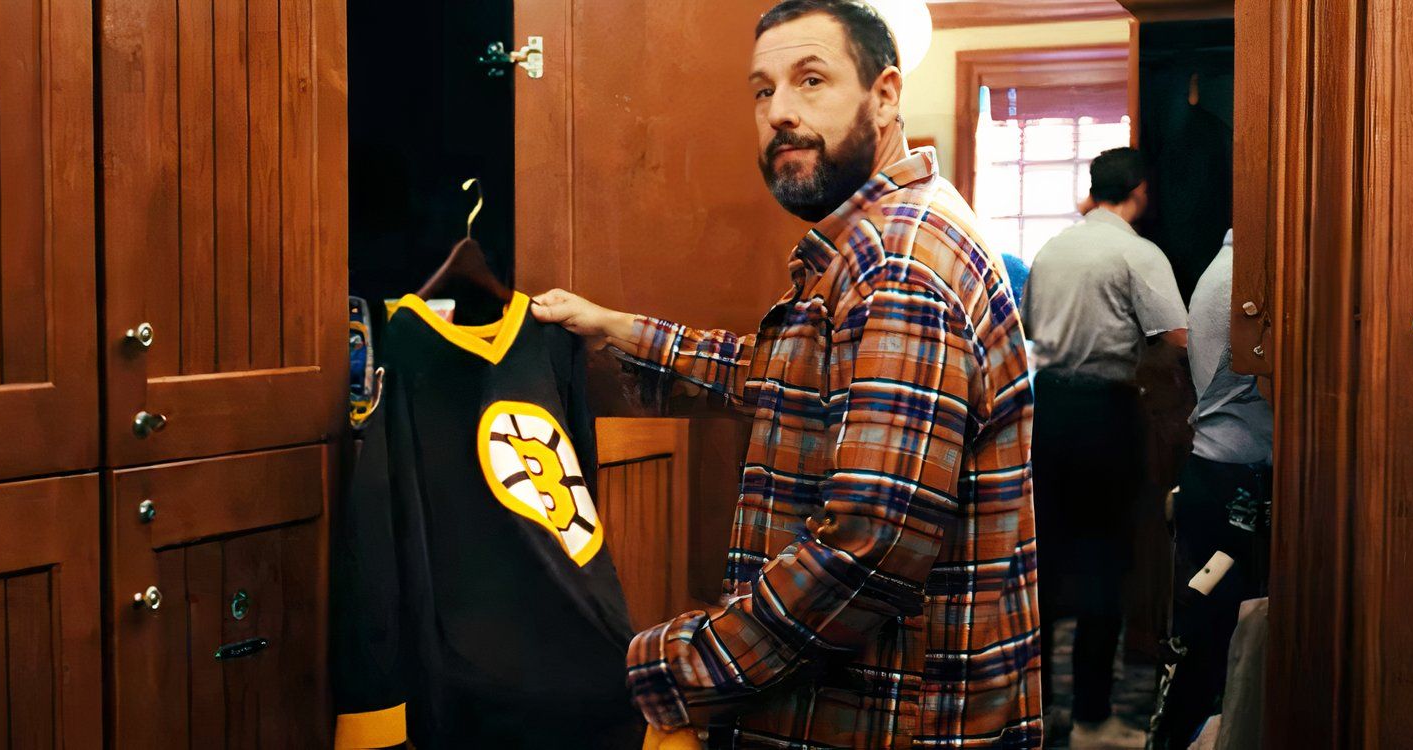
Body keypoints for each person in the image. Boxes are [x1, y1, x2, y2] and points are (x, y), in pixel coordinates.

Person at [531, 1, 1041, 746]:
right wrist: (617, 329)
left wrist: (670, 672)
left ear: (886, 94)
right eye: (763, 90)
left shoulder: (893, 265)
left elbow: (868, 550)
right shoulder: (881, 239)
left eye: (811, 81)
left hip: (890, 721)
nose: (779, 113)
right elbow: (778, 376)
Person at [1021, 147, 1187, 749]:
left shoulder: (1052, 250)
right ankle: (1092, 711)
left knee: (1046, 557)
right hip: (1108, 412)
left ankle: (1032, 708)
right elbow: (1177, 335)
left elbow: (1036, 330)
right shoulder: (1135, 252)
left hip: (1052, 411)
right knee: (1106, 557)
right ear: (1140, 191)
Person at [1153, 231, 1273, 748]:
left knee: (1210, 639)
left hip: (1218, 468)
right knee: (1212, 644)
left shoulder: (1228, 266)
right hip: (1230, 478)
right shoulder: (1242, 278)